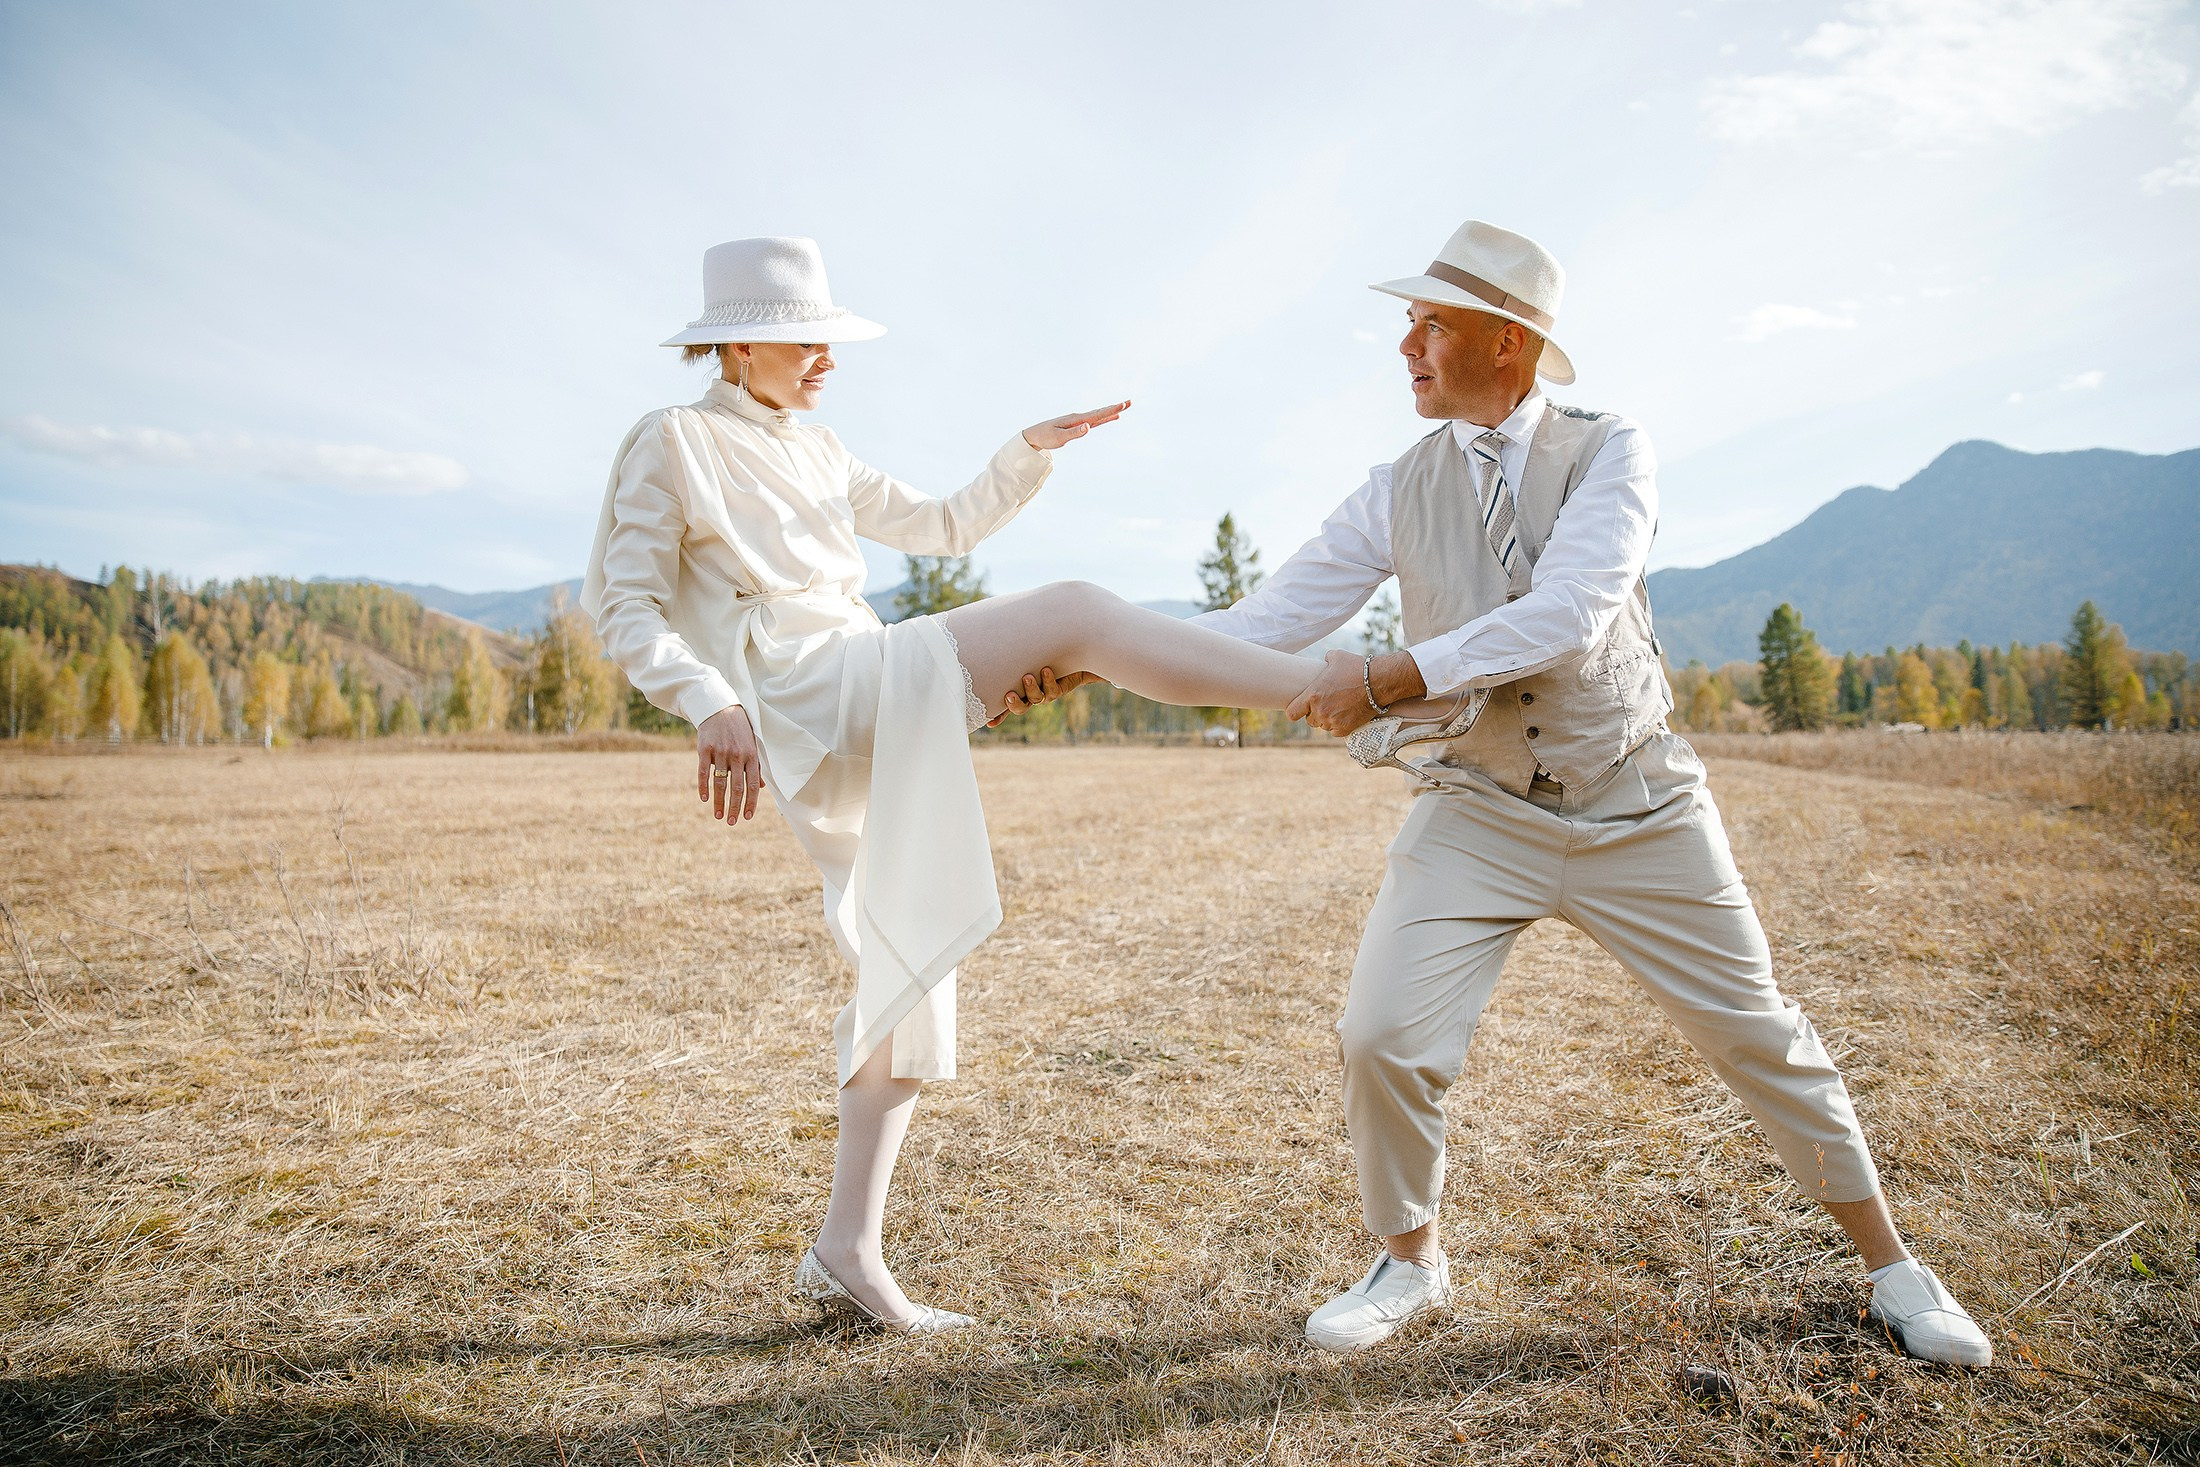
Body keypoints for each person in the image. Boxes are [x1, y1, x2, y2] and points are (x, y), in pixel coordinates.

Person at [1003, 219, 1992, 1367]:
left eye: (1428, 325)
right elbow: (1262, 623)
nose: (1405, 348)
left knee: (1756, 1035)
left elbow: (1569, 613)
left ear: (1506, 343)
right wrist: (1094, 657)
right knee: (1380, 1035)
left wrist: (1386, 678)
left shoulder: (1609, 448)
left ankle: (1892, 1267)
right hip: (1474, 805)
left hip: (1636, 800)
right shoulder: (1395, 487)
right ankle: (1407, 1262)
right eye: (1407, 326)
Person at [582, 236, 1346, 1335]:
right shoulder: (673, 439)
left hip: (863, 678)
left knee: (909, 963)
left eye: (829, 344)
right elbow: (625, 606)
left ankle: (846, 1251)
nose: (827, 361)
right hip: (808, 687)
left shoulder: (819, 446)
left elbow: (942, 526)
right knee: (1076, 612)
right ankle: (1334, 690)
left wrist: (1026, 451)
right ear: (737, 344)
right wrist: (709, 701)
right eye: (807, 343)